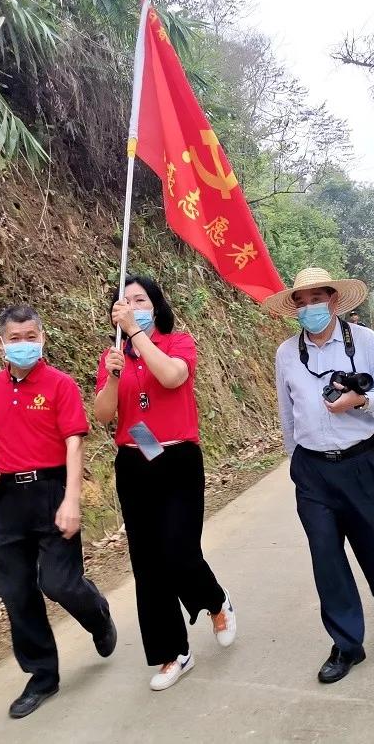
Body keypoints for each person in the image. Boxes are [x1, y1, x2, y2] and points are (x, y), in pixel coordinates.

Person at [94, 275, 235, 691]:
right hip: (135, 460)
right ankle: (172, 653)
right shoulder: (113, 356)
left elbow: (173, 377)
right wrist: (114, 375)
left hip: (178, 459)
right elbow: (103, 415)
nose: (133, 305)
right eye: (125, 301)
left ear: (155, 305)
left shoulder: (177, 343)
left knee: (179, 550)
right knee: (148, 563)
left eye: (140, 299)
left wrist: (136, 334)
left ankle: (215, 601)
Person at [266, 267, 374, 685]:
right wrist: (296, 461)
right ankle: (347, 643)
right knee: (326, 557)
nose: (309, 308)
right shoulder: (287, 353)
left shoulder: (363, 342)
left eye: (317, 299)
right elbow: (287, 413)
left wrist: (359, 401)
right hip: (312, 472)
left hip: (364, 462)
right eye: (302, 301)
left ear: (333, 299)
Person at [0, 305, 117, 719]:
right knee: (18, 593)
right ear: (1, 344)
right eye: (15, 339)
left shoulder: (60, 385)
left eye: (31, 337)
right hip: (7, 499)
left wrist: (71, 500)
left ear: (43, 339)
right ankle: (42, 676)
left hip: (51, 489)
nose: (24, 345)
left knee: (59, 583)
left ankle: (97, 613)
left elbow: (75, 442)